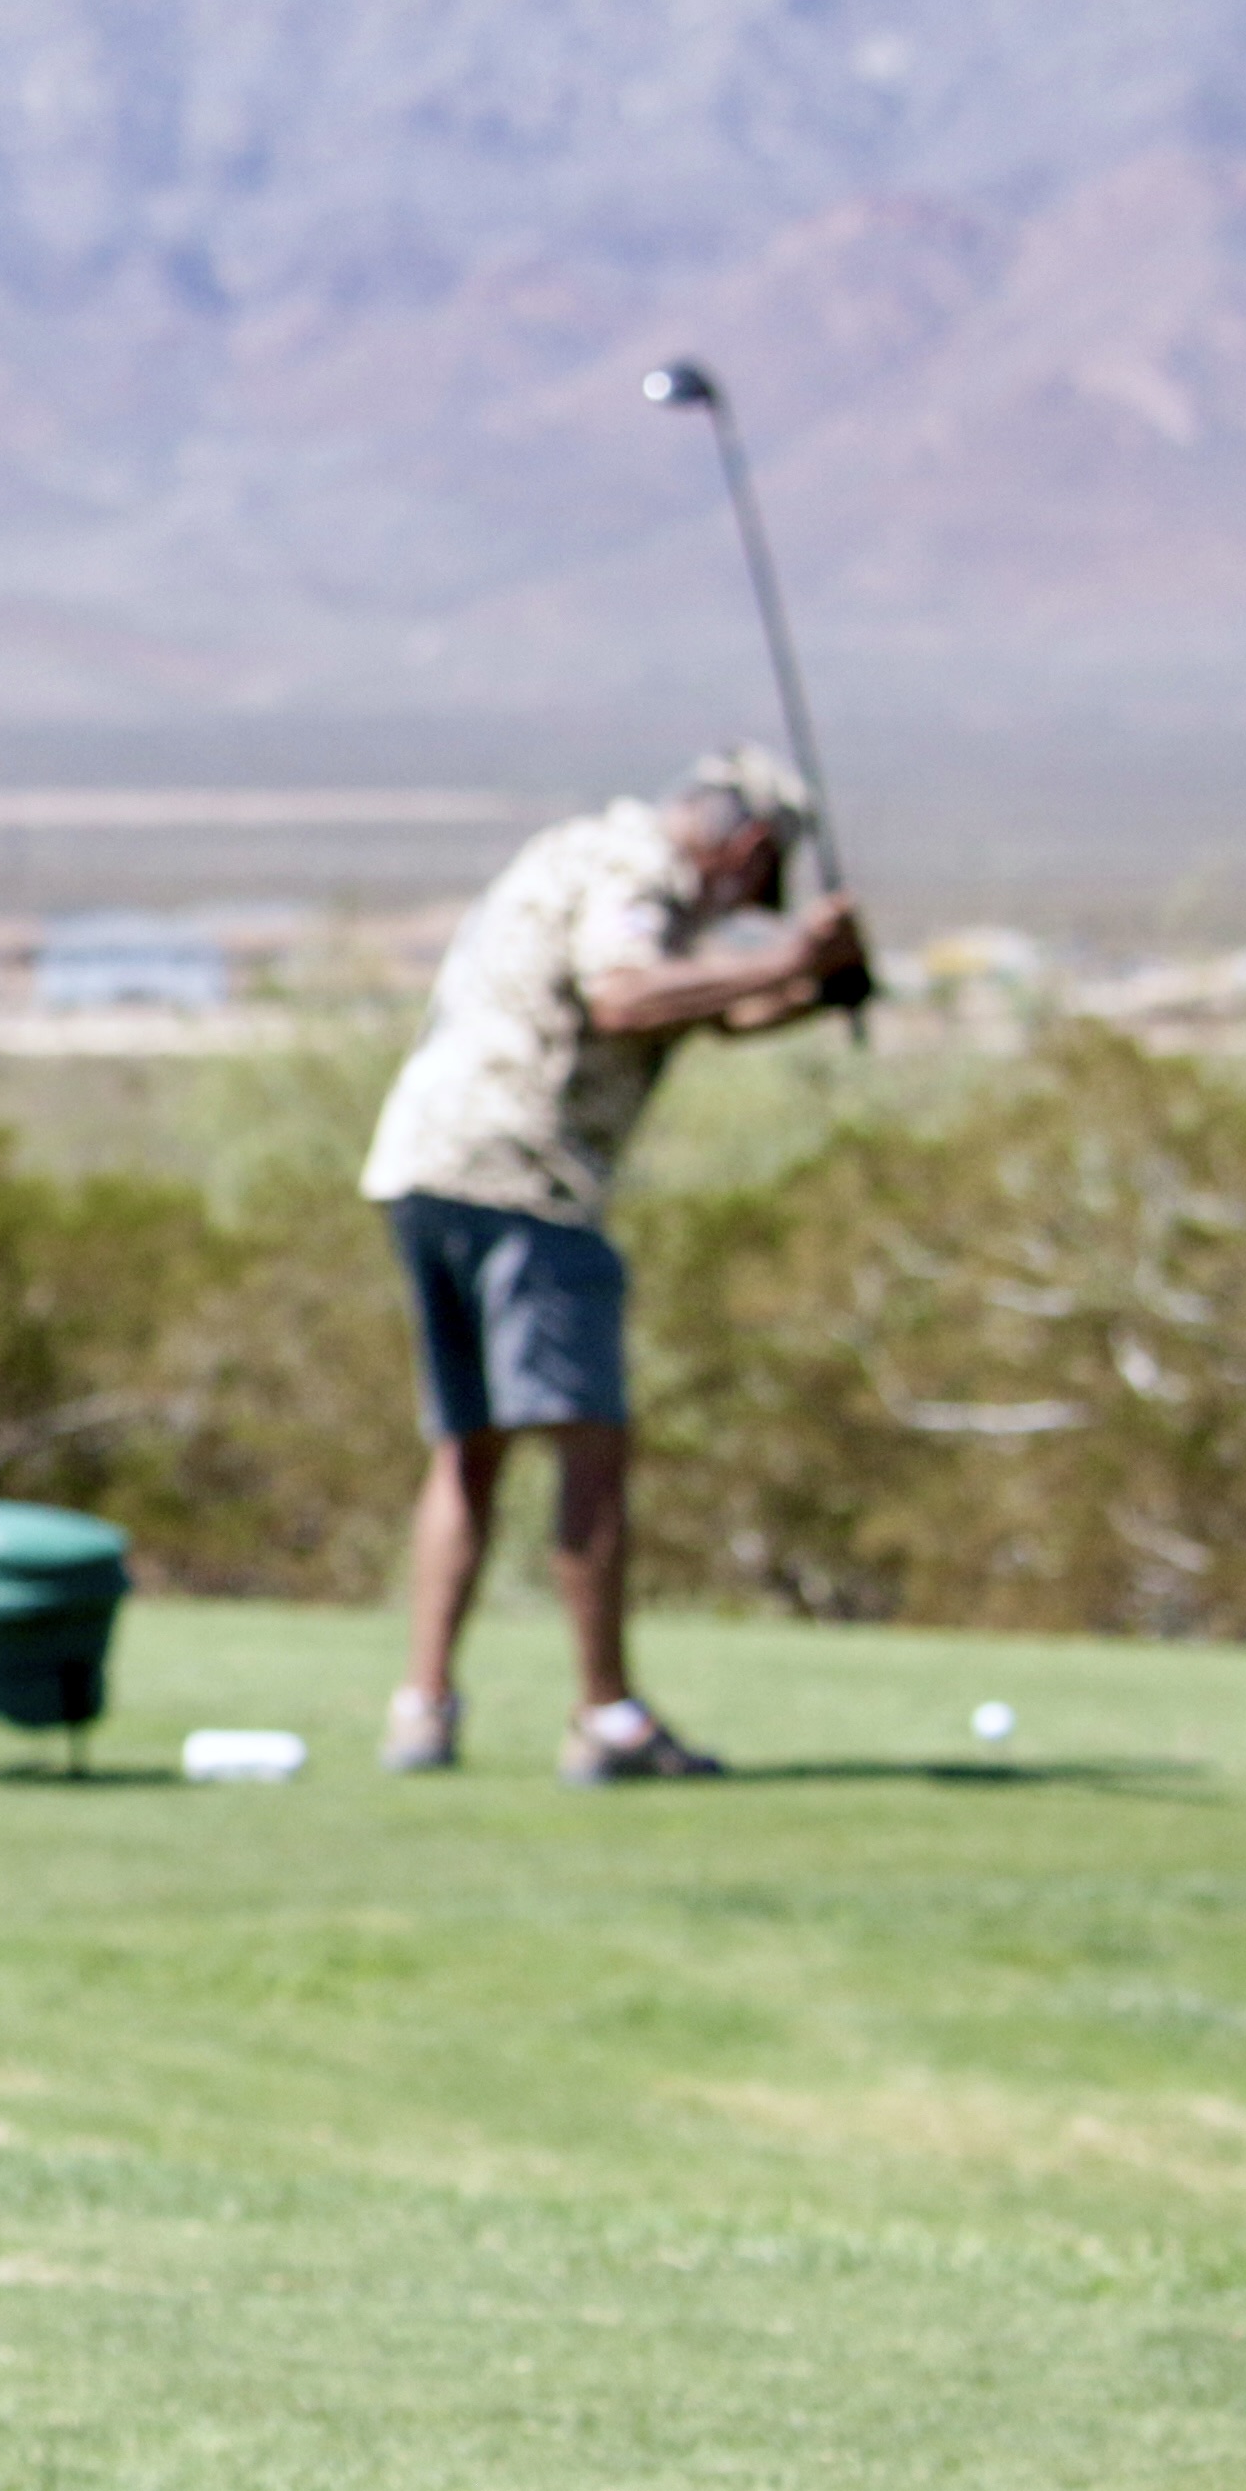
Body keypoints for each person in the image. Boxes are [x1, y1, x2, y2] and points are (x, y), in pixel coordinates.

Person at [354, 747, 862, 1783]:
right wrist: (789, 958)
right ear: (745, 847)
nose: (743, 909)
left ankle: (423, 1710)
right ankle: (607, 1718)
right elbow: (627, 997)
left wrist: (811, 985)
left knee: (469, 1448)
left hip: (424, 1165)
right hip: (525, 1180)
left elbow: (697, 1009)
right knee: (589, 1444)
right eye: (758, 885)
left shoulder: (578, 852)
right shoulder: (638, 874)